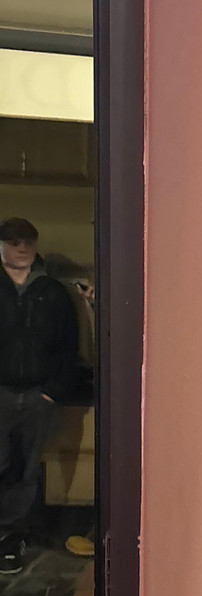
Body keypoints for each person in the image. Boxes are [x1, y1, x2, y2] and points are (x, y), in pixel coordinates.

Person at [0, 218, 79, 574]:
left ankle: (10, 539)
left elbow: (69, 346)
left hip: (37, 396)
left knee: (26, 470)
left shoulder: (53, 292)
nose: (22, 248)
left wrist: (52, 392)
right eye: (14, 242)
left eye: (27, 242)